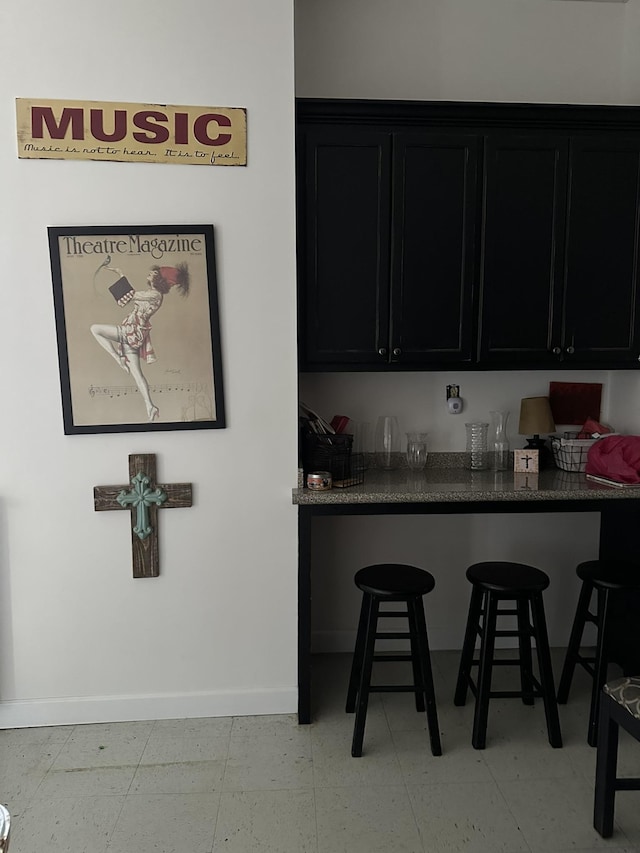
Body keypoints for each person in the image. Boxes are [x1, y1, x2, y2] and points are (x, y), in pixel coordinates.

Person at [90, 263, 190, 421]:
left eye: (153, 274)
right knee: (137, 375)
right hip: (134, 333)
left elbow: (131, 295)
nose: (149, 274)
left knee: (95, 329)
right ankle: (150, 406)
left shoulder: (155, 295)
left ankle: (118, 358)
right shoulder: (152, 294)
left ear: (159, 279)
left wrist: (121, 273)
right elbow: (131, 297)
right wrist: (120, 276)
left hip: (131, 331)